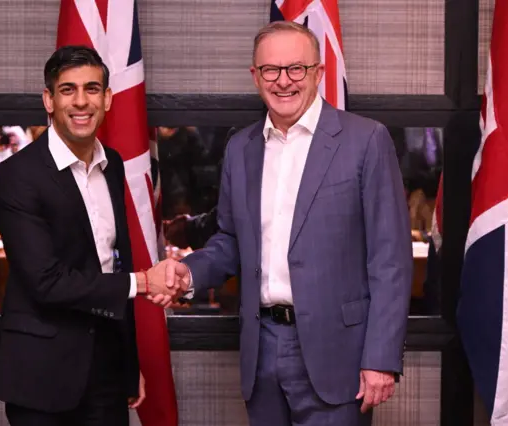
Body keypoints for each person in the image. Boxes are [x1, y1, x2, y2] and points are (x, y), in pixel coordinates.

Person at [161, 21, 413, 425]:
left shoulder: (365, 141)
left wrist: (381, 358)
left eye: (296, 69)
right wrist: (187, 273)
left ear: (318, 72)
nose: (283, 82)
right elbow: (229, 240)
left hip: (339, 353)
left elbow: (391, 260)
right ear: (255, 76)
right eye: (270, 70)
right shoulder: (241, 147)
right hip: (261, 349)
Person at [0, 45, 177, 426]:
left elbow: (112, 263)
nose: (81, 102)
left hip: (107, 372)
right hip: (42, 377)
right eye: (67, 90)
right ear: (48, 99)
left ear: (107, 98)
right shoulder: (17, 176)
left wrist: (128, 363)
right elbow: (47, 283)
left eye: (92, 89)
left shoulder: (113, 165)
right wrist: (143, 283)